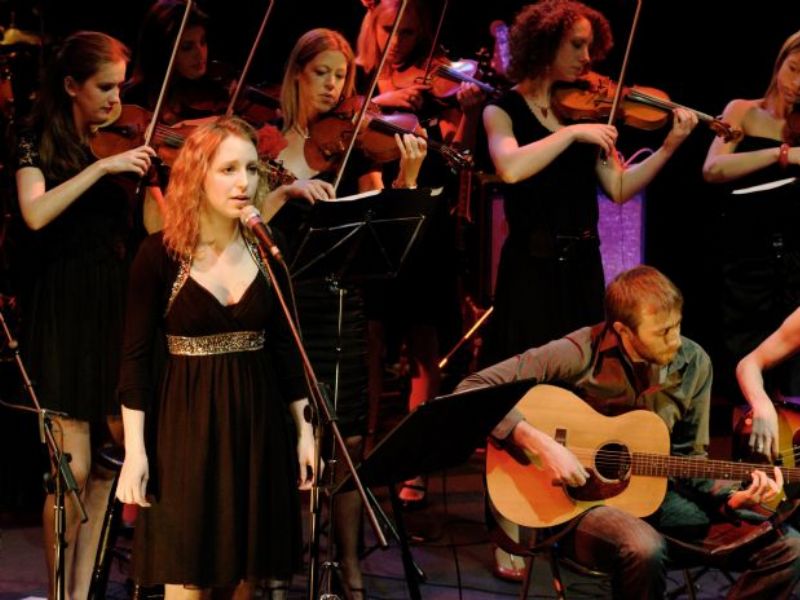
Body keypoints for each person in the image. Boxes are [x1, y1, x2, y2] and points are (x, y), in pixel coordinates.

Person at [457, 265, 800, 599]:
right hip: (578, 508)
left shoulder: (694, 363)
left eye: (677, 326)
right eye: (661, 332)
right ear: (623, 331)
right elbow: (472, 388)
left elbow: (690, 461)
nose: (674, 340)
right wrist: (542, 444)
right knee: (644, 547)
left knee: (788, 547)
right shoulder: (579, 352)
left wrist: (731, 497)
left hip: (658, 500)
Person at [115, 116, 315, 599]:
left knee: (247, 575)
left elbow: (288, 349)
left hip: (257, 423)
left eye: (250, 168)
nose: (243, 182)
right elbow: (134, 361)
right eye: (228, 169)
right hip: (186, 429)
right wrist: (135, 452)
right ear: (197, 176)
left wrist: (305, 431)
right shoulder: (160, 255)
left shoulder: (268, 248)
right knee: (189, 575)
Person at [262, 28, 427, 600]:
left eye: (342, 76)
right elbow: (244, 224)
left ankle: (351, 568)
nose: (333, 86)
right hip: (282, 309)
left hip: (341, 305)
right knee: (287, 440)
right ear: (296, 75)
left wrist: (407, 181)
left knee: (348, 441)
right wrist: (283, 193)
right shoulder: (265, 143)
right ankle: (282, 564)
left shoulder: (354, 146)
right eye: (322, 74)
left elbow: (383, 228)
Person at [479, 0, 698, 368]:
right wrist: (571, 134)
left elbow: (619, 188)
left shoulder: (585, 110)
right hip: (531, 269)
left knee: (580, 373)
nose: (586, 57)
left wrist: (668, 147)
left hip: (583, 267)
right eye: (577, 45)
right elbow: (511, 169)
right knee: (528, 373)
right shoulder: (502, 110)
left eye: (589, 46)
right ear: (544, 44)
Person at [14, 30, 155, 599]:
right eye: (104, 88)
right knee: (69, 470)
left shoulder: (122, 144)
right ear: (71, 85)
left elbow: (156, 231)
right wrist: (101, 169)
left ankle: (82, 592)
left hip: (113, 306)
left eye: (120, 87)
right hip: (62, 309)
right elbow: (35, 213)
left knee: (107, 465)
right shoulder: (35, 140)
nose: (116, 101)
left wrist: (154, 180)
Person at [355, 0, 484, 512]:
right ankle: (362, 453)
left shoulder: (439, 82)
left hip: (427, 222)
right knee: (368, 342)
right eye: (389, 30)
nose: (398, 43)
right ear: (372, 24)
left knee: (424, 346)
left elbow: (458, 156)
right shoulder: (358, 78)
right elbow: (336, 124)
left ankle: (413, 465)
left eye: (409, 33)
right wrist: (383, 98)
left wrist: (469, 113)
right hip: (373, 220)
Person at [703, 29, 800, 401]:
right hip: (746, 261)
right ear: (779, 63)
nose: (796, 84)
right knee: (742, 362)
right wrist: (783, 154)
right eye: (793, 69)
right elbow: (713, 168)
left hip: (795, 260)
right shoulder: (742, 111)